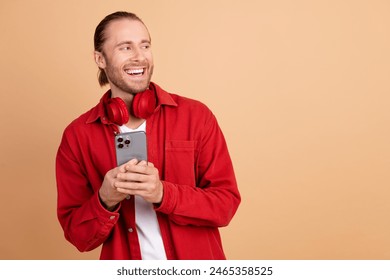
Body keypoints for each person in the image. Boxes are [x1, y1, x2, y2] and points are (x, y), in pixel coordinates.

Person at [56, 11, 240, 260]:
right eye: (125, 47)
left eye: (145, 45)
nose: (140, 56)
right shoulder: (77, 136)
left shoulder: (196, 116)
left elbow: (225, 205)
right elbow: (78, 236)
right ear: (100, 59)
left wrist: (163, 193)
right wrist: (105, 199)